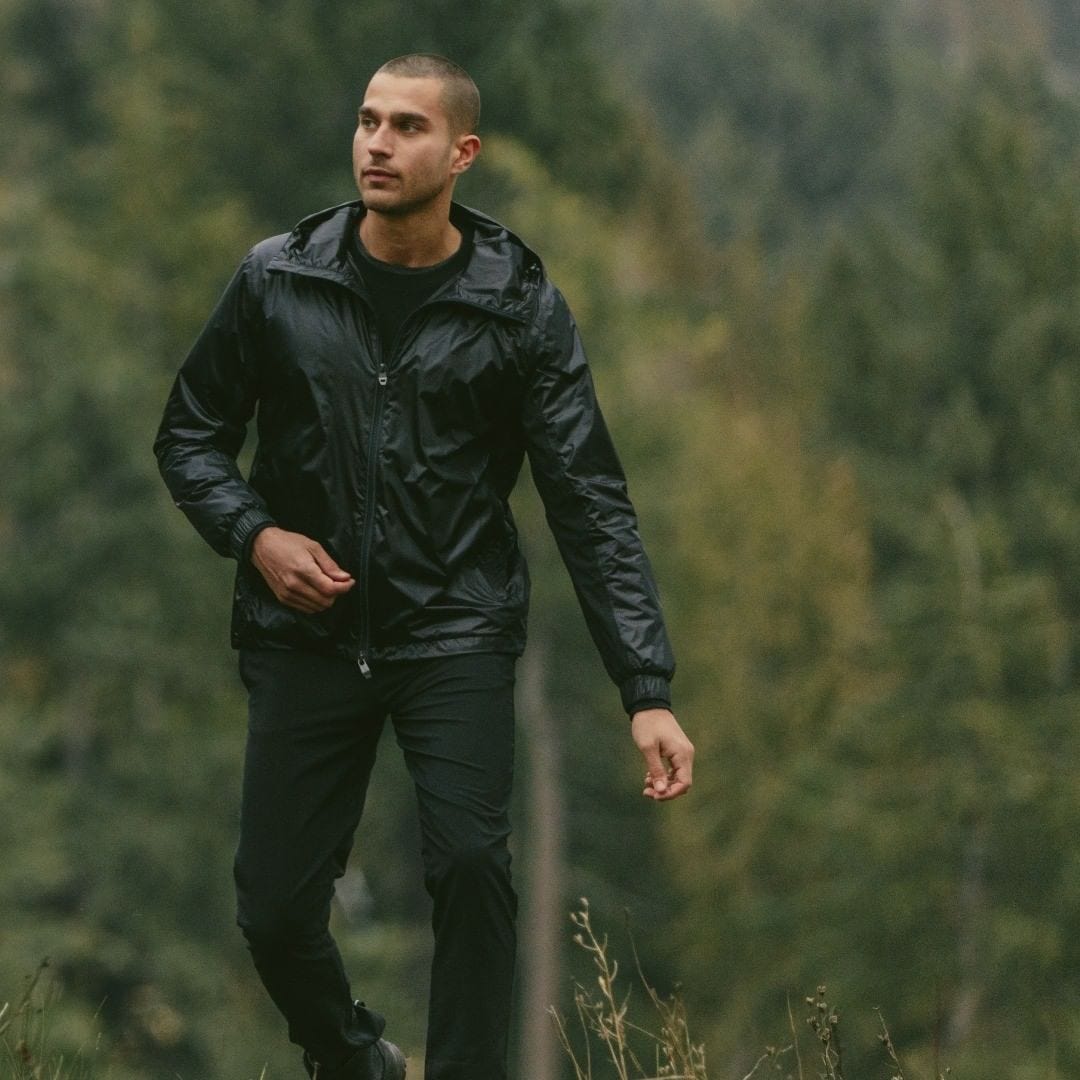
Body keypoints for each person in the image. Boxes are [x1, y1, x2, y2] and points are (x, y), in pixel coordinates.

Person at [154, 53, 694, 1080]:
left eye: (407, 126)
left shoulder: (519, 306)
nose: (378, 143)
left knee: (473, 869)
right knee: (273, 911)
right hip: (304, 633)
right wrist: (256, 536)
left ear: (462, 153)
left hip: (455, 629)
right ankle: (356, 1056)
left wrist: (647, 688)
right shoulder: (277, 280)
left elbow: (589, 502)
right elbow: (188, 434)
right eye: (369, 121)